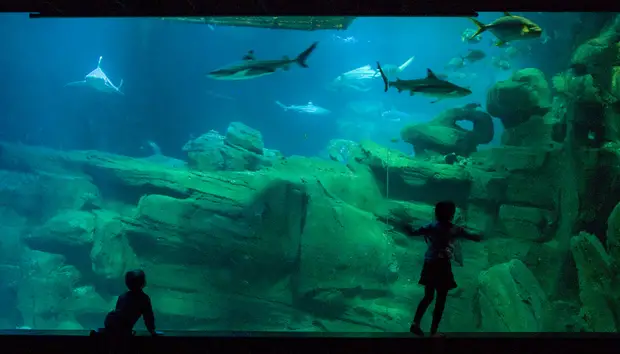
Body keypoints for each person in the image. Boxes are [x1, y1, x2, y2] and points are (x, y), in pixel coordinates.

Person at [405, 201, 482, 337]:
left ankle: (415, 323)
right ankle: (433, 332)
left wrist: (404, 224)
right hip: (442, 266)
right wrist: (481, 235)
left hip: (429, 264)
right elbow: (474, 237)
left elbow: (412, 232)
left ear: (436, 213)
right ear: (451, 214)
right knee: (441, 299)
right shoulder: (455, 229)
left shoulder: (431, 226)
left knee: (428, 296)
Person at [104, 269, 159, 353]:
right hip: (123, 329)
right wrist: (152, 331)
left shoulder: (122, 296)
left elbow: (119, 313)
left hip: (111, 323)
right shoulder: (144, 298)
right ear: (143, 283)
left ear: (127, 283)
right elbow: (148, 317)